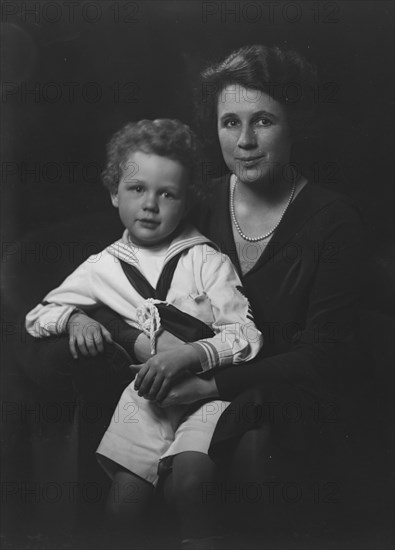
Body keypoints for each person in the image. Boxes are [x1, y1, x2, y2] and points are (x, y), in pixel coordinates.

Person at [130, 45, 365, 541]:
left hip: (288, 401)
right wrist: (84, 319)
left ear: (295, 125)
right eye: (230, 122)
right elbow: (130, 272)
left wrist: (210, 387)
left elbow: (326, 357)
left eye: (263, 121)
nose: (245, 142)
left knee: (245, 466)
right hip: (197, 389)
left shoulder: (334, 220)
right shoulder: (196, 203)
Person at [25, 118, 263, 549]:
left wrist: (192, 355)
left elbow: (246, 336)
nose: (150, 205)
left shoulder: (205, 259)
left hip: (205, 393)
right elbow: (39, 315)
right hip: (147, 398)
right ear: (115, 192)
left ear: (187, 200)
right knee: (124, 502)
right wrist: (76, 319)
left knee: (193, 484)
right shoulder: (101, 267)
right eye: (137, 189)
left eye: (166, 193)